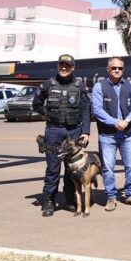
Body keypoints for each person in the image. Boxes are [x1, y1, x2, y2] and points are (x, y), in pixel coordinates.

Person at [32, 54, 91, 217]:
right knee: (52, 168)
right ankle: (49, 200)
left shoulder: (80, 86)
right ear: (57, 66)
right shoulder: (48, 84)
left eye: (67, 65)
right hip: (53, 131)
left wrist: (86, 131)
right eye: (61, 65)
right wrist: (47, 115)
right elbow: (36, 103)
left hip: (73, 131)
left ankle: (69, 199)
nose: (64, 68)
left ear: (73, 68)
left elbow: (86, 109)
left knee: (72, 169)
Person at [92, 56, 131, 210]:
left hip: (127, 134)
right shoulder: (99, 87)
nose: (116, 70)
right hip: (107, 135)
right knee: (108, 168)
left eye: (120, 68)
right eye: (113, 68)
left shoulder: (130, 85)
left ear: (123, 70)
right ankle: (111, 198)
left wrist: (127, 120)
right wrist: (115, 122)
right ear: (108, 69)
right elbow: (97, 110)